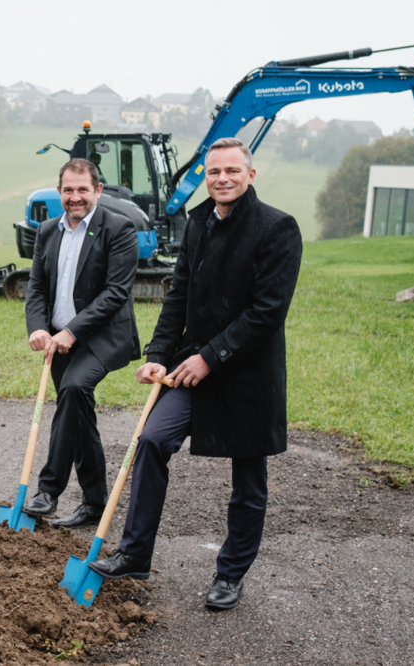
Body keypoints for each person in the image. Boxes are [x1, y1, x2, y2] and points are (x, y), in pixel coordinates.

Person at [90, 138, 303, 611]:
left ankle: (231, 574)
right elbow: (178, 294)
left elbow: (266, 312)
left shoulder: (277, 228)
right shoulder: (197, 223)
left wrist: (209, 357)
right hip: (194, 367)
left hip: (248, 375)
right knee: (151, 441)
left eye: (231, 170)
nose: (222, 178)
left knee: (248, 480)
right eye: (213, 172)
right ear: (205, 177)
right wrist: (159, 353)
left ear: (251, 174)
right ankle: (134, 553)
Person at [23, 158, 141, 529]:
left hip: (102, 336)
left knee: (74, 389)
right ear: (59, 192)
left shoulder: (119, 229)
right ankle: (94, 504)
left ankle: (48, 489)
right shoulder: (46, 231)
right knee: (80, 414)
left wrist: (71, 331)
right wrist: (37, 328)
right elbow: (37, 287)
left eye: (83, 190)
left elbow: (115, 293)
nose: (75, 197)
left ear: (98, 191)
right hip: (57, 341)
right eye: (68, 190)